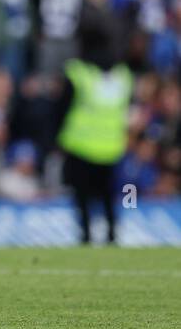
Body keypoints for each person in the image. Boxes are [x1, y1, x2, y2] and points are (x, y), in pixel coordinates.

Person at [55, 14, 132, 243]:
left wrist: (56, 137)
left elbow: (62, 107)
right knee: (108, 195)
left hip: (80, 143)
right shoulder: (123, 74)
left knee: (82, 194)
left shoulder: (78, 72)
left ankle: (86, 235)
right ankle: (111, 234)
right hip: (112, 144)